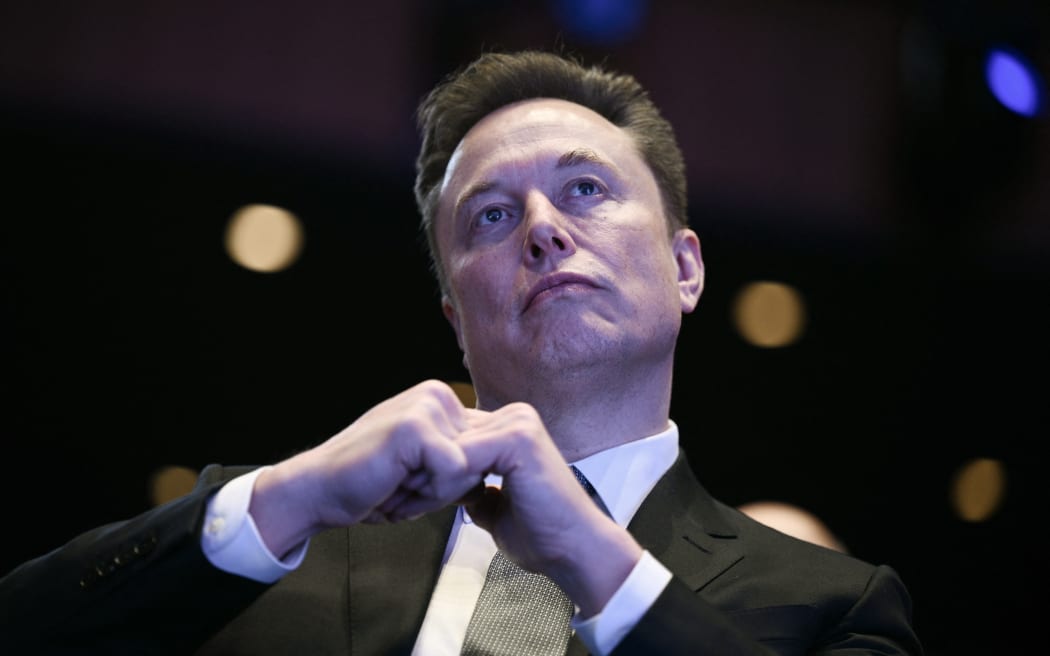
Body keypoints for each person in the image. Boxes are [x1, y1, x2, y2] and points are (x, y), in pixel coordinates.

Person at [0, 49, 923, 655]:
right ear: (454, 314)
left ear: (685, 268)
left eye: (586, 188)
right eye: (491, 214)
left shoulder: (831, 605)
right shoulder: (294, 544)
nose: (543, 229)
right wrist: (290, 494)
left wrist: (593, 560)